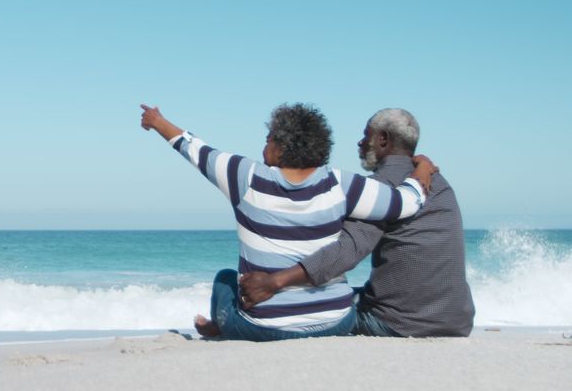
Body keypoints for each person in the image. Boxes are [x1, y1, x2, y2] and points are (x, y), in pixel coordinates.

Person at [140, 103, 438, 341]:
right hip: (337, 322)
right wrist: (421, 171)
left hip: (266, 327)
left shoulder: (244, 176)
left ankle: (224, 327)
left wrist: (156, 121)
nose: (263, 146)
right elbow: (404, 204)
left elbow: (193, 149)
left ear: (282, 147)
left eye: (268, 139)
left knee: (224, 280)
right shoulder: (341, 184)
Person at [238, 108, 475, 337]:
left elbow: (345, 252)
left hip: (400, 323)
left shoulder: (379, 190)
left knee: (317, 307)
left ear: (383, 140)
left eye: (365, 136)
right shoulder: (439, 182)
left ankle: (233, 323)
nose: (360, 143)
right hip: (457, 320)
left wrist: (275, 281)